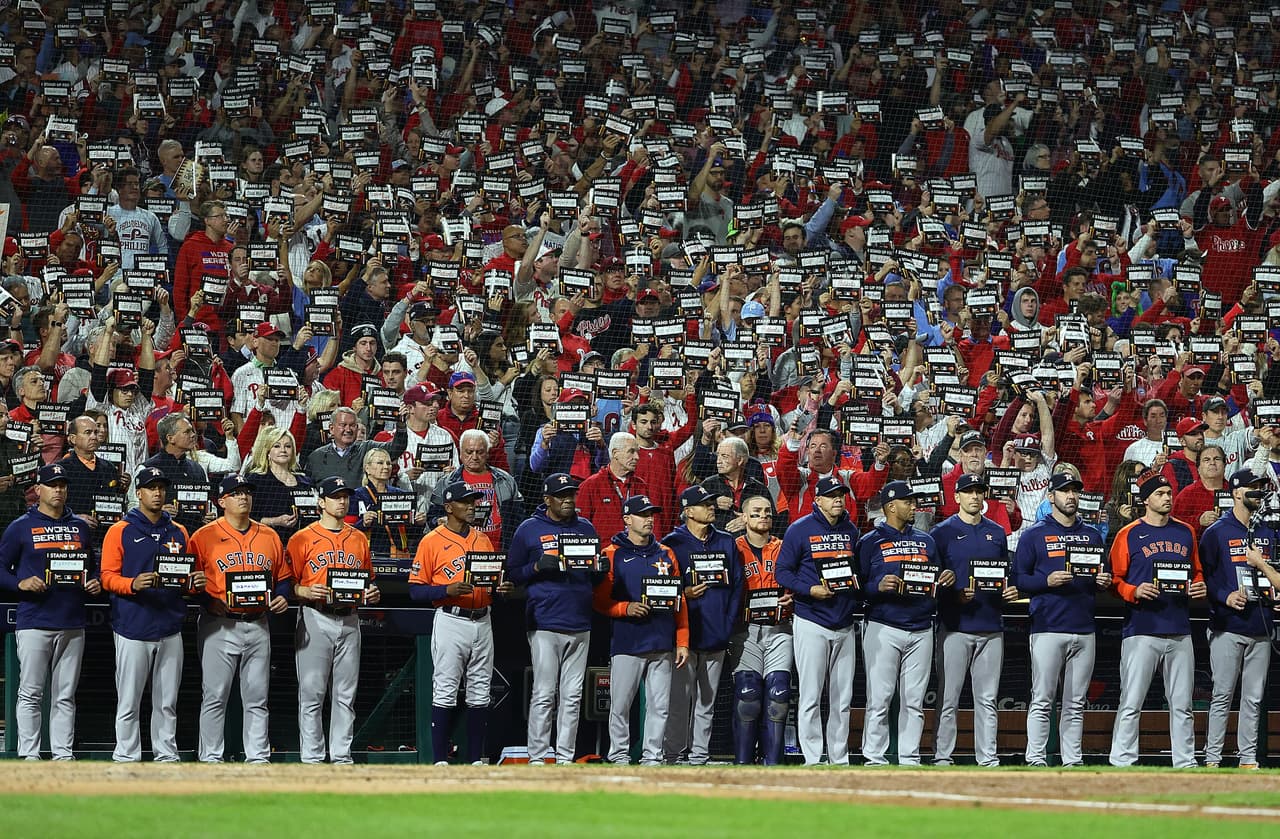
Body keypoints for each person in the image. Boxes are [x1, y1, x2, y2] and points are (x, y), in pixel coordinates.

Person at [98, 466, 206, 763]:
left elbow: (185, 578)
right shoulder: (120, 530)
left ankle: (166, 754)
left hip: (170, 625)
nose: (158, 493)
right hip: (132, 624)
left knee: (167, 701)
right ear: (139, 493)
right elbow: (106, 576)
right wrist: (131, 584)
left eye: (161, 487)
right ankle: (126, 755)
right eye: (151, 487)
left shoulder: (180, 531)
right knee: (129, 700)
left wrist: (195, 584)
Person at [409, 480, 514, 765]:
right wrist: (446, 590)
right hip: (450, 620)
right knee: (445, 688)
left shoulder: (483, 539)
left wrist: (501, 589)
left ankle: (475, 760)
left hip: (483, 619)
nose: (472, 506)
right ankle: (440, 760)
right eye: (465, 502)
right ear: (448, 507)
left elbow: (492, 580)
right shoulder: (431, 541)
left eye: (474, 501)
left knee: (480, 691)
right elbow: (416, 589)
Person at [189, 474, 292, 763]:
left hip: (259, 623)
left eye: (246, 492)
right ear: (221, 501)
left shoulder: (269, 535)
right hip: (219, 624)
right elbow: (188, 581)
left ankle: (258, 757)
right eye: (235, 493)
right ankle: (210, 757)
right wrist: (208, 600)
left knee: (258, 698)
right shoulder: (203, 536)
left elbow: (282, 577)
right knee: (215, 696)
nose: (243, 497)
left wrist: (283, 595)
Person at [1013, 471, 1113, 767]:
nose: (1071, 496)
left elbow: (1099, 574)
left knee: (1075, 702)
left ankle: (1073, 759)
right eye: (1064, 491)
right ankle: (1036, 758)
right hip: (1047, 625)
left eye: (1075, 491)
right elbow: (1018, 578)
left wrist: (1103, 580)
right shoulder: (1034, 534)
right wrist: (1047, 580)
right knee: (1042, 697)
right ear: (1050, 496)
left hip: (1084, 626)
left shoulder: (1092, 535)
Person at [0, 463, 98, 760]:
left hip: (71, 619)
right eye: (52, 485)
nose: (58, 490)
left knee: (65, 694)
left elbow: (89, 566)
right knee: (31, 692)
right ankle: (29, 754)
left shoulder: (80, 527)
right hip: (34, 619)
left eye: (62, 485)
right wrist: (20, 583)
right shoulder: (20, 526)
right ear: (38, 489)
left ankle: (62, 755)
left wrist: (93, 582)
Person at [1107, 472, 1205, 769]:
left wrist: (1199, 585)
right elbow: (1113, 580)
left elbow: (1197, 571)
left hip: (1179, 628)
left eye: (1168, 492)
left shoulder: (1186, 532)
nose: (1167, 497)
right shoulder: (1129, 533)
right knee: (1131, 701)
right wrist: (1133, 590)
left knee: (1182, 705)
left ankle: (1185, 761)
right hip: (1141, 628)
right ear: (1146, 499)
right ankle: (1122, 760)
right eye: (1160, 493)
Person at [505, 473, 602, 764]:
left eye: (571, 495)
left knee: (572, 697)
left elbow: (593, 577)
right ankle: (537, 757)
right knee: (545, 693)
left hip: (580, 621)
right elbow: (513, 573)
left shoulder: (586, 527)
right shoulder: (529, 529)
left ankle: (564, 758)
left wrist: (600, 570)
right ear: (547, 499)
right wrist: (536, 566)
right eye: (562, 496)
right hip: (545, 621)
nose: (568, 500)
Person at [287, 475, 380, 765]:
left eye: (345, 496)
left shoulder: (358, 538)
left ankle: (341, 755)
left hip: (350, 619)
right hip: (316, 616)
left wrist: (372, 592)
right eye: (335, 496)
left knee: (345, 694)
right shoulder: (301, 538)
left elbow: (369, 580)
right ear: (321, 502)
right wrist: (302, 589)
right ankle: (312, 757)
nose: (342, 501)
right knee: (312, 692)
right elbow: (285, 584)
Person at [859, 481, 952, 766]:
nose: (914, 507)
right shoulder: (870, 541)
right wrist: (877, 585)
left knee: (914, 700)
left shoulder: (926, 541)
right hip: (884, 626)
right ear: (890, 506)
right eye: (908, 502)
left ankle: (909, 757)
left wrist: (945, 579)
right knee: (880, 697)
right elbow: (858, 586)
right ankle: (875, 757)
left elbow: (936, 577)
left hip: (922, 626)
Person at [594, 495, 690, 765]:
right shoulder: (611, 553)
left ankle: (652, 758)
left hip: (661, 640)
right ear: (627, 519)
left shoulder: (666, 553)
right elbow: (599, 601)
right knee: (621, 705)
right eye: (642, 514)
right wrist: (625, 608)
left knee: (660, 707)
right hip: (627, 641)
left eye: (651, 514)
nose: (649, 519)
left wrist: (682, 640)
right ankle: (620, 755)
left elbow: (678, 600)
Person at [774, 476, 862, 766]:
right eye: (832, 495)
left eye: (841, 495)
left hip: (845, 622)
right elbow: (783, 572)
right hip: (811, 619)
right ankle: (812, 758)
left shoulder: (851, 530)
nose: (838, 499)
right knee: (811, 694)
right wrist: (810, 589)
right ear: (818, 500)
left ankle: (839, 758)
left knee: (842, 698)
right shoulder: (799, 529)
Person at [931, 473, 1017, 767]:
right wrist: (953, 595)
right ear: (956, 497)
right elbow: (932, 582)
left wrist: (1008, 590)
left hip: (991, 624)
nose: (975, 497)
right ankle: (942, 755)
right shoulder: (941, 533)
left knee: (988, 699)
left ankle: (988, 758)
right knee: (948, 697)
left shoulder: (996, 532)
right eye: (968, 492)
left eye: (979, 491)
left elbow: (1003, 574)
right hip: (955, 626)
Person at [661, 485, 743, 765]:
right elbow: (662, 588)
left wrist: (727, 623)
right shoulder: (672, 543)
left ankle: (699, 757)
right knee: (679, 701)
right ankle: (672, 756)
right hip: (684, 635)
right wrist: (683, 593)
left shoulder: (726, 542)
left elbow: (737, 587)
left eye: (711, 503)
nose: (711, 507)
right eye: (704, 504)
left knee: (706, 703)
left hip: (716, 633)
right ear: (688, 511)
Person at [1199, 469, 1275, 770]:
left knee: (1254, 698)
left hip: (1261, 624)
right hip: (1227, 625)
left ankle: (1247, 759)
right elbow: (1204, 576)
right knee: (1222, 695)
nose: (1258, 492)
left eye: (1260, 487)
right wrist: (1224, 596)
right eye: (1252, 487)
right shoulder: (1217, 532)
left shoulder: (1268, 531)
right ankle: (1212, 758)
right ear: (1236, 492)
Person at [729, 494, 792, 765]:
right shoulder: (732, 548)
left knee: (779, 694)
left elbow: (796, 578)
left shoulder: (783, 546)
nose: (763, 516)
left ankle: (774, 765)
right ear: (743, 517)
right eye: (756, 512)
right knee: (748, 695)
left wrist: (793, 596)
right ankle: (743, 764)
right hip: (745, 630)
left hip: (780, 628)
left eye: (767, 511)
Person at [426, 428, 522, 550]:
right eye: (469, 452)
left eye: (480, 452)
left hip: (499, 550)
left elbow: (518, 517)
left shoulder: (505, 480)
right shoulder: (447, 482)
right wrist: (440, 521)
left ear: (487, 453)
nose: (474, 457)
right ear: (460, 453)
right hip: (459, 550)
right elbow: (432, 517)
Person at [305, 406, 408, 488]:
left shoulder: (367, 448)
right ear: (331, 429)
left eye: (352, 425)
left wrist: (401, 426)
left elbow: (396, 448)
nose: (348, 429)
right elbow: (309, 489)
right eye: (343, 425)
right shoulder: (316, 457)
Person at [577, 431, 651, 541]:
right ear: (615, 453)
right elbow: (581, 528)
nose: (637, 457)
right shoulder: (591, 485)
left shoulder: (641, 485)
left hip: (635, 553)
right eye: (631, 452)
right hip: (603, 554)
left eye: (637, 452)